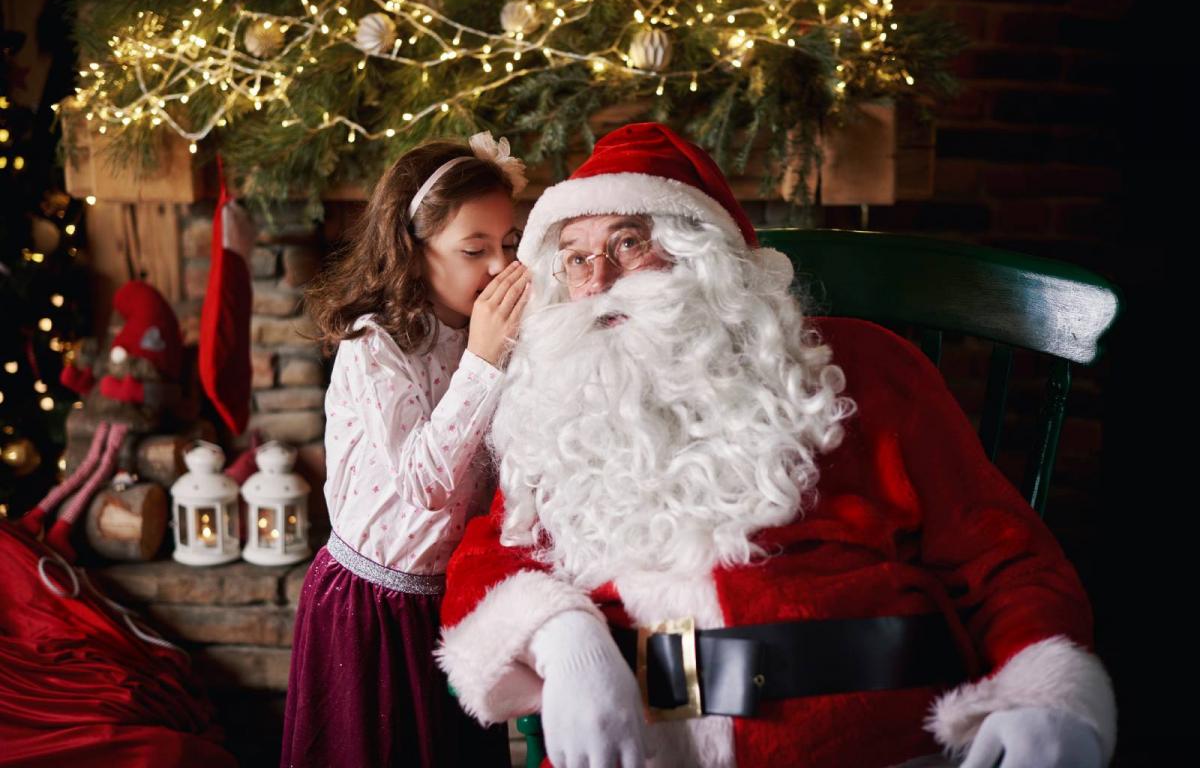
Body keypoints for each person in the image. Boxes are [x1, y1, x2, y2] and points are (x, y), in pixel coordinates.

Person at [437, 123, 1116, 767]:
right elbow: (488, 561)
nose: (596, 283)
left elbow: (1003, 556)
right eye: (576, 258)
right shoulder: (564, 398)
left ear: (702, 255)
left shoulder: (866, 368)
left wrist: (1045, 695)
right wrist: (565, 642)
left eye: (626, 243)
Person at [281, 133, 529, 768]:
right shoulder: (376, 346)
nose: (500, 268)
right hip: (371, 610)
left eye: (508, 245)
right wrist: (482, 360)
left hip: (453, 601)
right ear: (413, 253)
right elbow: (426, 481)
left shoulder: (491, 335)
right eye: (474, 249)